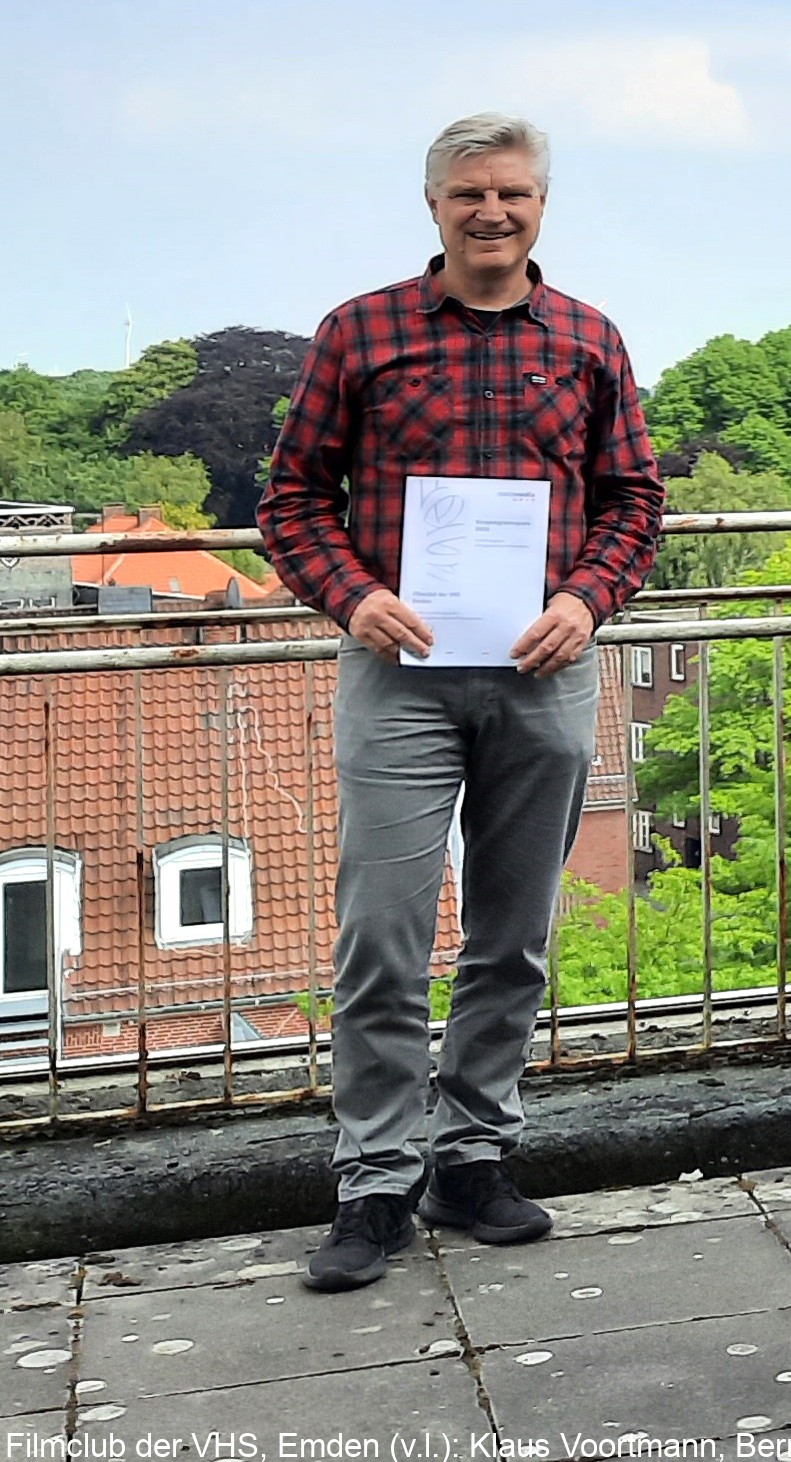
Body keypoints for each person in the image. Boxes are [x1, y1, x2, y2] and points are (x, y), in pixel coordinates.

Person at [260, 114, 664, 1291]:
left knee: (513, 935)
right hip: (401, 671)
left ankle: (474, 1157)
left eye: (515, 195)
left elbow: (634, 501)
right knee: (381, 933)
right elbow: (292, 501)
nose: (494, 213)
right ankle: (374, 1180)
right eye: (471, 196)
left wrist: (588, 603)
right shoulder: (361, 330)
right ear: (432, 204)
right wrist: (354, 597)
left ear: (543, 205)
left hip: (544, 667)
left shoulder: (589, 338)